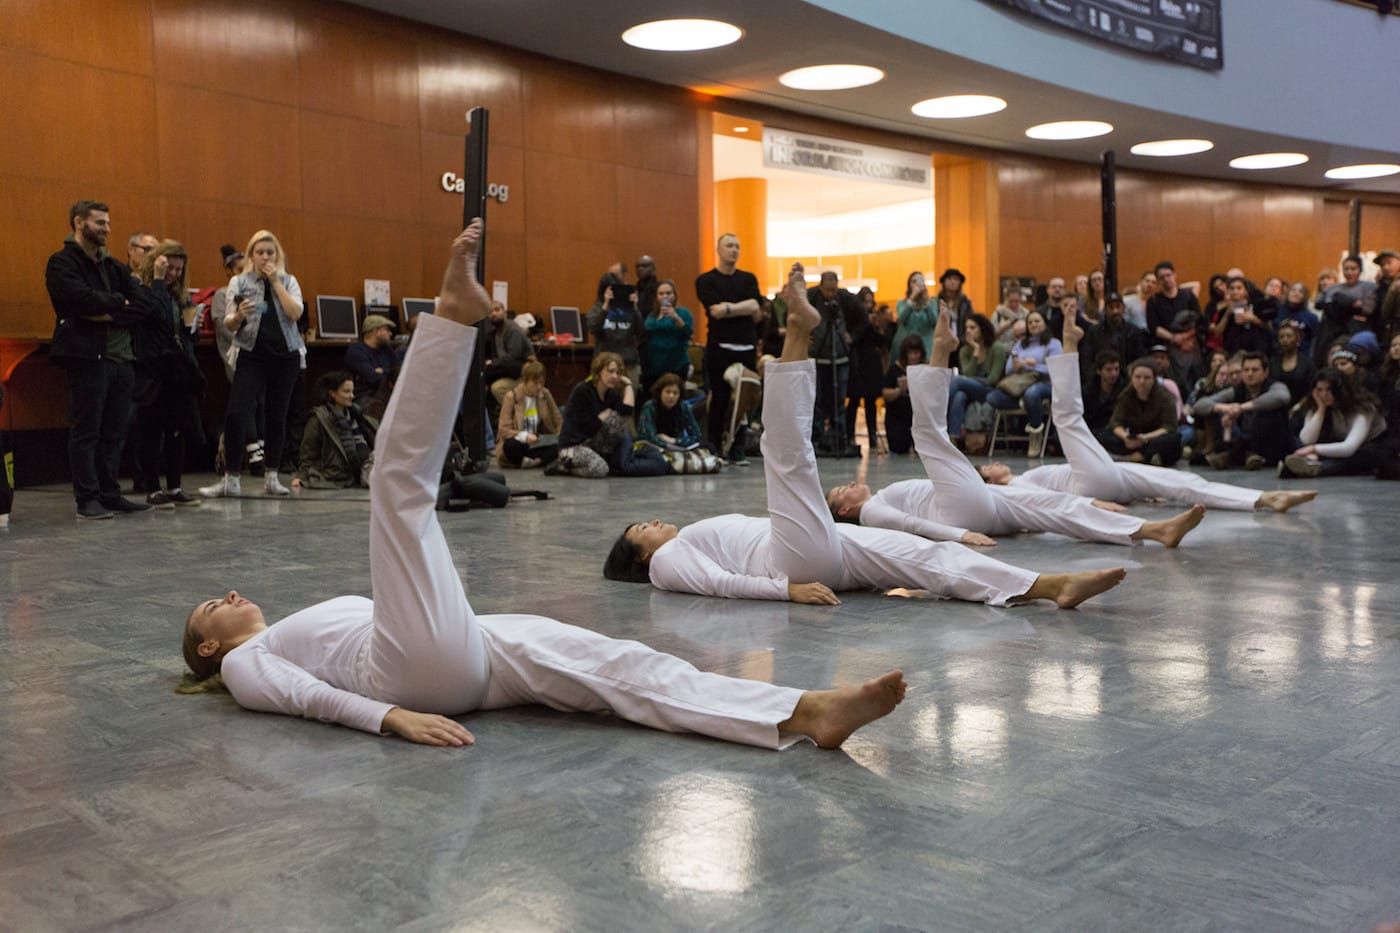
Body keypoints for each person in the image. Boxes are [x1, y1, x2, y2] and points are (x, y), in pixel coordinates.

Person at [179, 221, 907, 752]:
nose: (232, 595)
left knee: (623, 666)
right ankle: (452, 316)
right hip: (405, 671)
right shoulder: (245, 666)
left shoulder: (271, 633)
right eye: (215, 606)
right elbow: (305, 699)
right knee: (398, 492)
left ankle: (802, 712)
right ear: (209, 650)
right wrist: (388, 718)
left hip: (464, 648)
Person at [603, 263, 1127, 610]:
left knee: (926, 559)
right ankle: (798, 330)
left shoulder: (682, 542)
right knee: (785, 456)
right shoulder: (666, 565)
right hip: (790, 559)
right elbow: (720, 586)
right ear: (642, 557)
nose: (651, 523)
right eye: (640, 531)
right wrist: (785, 591)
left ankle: (1046, 587)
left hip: (821, 547)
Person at [827, 311, 1204, 550]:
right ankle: (941, 350)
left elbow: (1048, 499)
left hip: (981, 504)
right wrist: (960, 536)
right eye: (841, 491)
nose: (847, 484)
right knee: (928, 436)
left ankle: (1153, 531)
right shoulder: (872, 511)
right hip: (957, 513)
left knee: (1057, 511)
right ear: (846, 508)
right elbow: (911, 524)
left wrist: (1087, 503)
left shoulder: (883, 497)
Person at [1002, 317, 1316, 514]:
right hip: (1092, 483)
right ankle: (1069, 343)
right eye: (988, 468)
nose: (994, 464)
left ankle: (1262, 499)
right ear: (991, 477)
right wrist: (1092, 505)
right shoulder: (1015, 483)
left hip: (1113, 476)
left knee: (1184, 482)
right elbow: (1048, 506)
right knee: (1068, 418)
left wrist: (1127, 498)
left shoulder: (1024, 479)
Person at [45, 200, 153, 519]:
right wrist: (119, 301)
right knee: (87, 431)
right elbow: (77, 301)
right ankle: (87, 498)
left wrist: (108, 312)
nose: (107, 228)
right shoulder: (61, 262)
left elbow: (145, 303)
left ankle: (109, 493)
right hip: (87, 358)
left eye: (108, 223)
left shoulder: (113, 265)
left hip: (122, 360)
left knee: (115, 432)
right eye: (100, 223)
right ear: (79, 223)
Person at [201, 230, 305, 499]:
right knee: (237, 413)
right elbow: (228, 323)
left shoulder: (289, 280)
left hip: (285, 355)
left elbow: (295, 313)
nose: (265, 257)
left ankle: (271, 476)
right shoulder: (239, 282)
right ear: (251, 256)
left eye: (270, 252)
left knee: (277, 415)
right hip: (251, 353)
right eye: (260, 252)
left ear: (277, 255)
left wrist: (275, 282)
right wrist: (239, 317)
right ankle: (231, 479)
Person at [131, 240, 204, 507]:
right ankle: (152, 487)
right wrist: (159, 281)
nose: (174, 274)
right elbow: (154, 313)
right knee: (152, 430)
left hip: (178, 369)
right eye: (169, 268)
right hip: (153, 369)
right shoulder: (145, 289)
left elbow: (185, 336)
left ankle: (174, 486)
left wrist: (192, 327)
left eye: (178, 270)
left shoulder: (182, 296)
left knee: (178, 430)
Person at [695, 233, 762, 458]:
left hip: (746, 348)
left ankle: (738, 446)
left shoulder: (748, 279)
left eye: (737, 246)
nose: (734, 250)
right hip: (719, 348)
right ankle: (715, 444)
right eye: (729, 245)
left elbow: (755, 306)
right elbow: (714, 310)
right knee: (720, 398)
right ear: (719, 249)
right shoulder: (706, 280)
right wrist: (735, 309)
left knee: (744, 398)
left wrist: (728, 309)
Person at [1280, 368, 1386, 478]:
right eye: (1319, 390)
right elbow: (1307, 440)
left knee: (1361, 455)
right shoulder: (1318, 405)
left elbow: (1349, 447)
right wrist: (1321, 409)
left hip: (1367, 446)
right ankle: (1305, 464)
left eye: (1329, 390)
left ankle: (1315, 467)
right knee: (1297, 440)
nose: (1324, 395)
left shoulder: (1363, 409)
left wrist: (1314, 449)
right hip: (1338, 442)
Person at [1194, 351, 1292, 470]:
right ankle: (1238, 454)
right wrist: (1226, 408)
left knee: (1266, 409)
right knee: (1219, 410)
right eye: (1246, 370)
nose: (1250, 374)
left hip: (1271, 446)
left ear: (1265, 372)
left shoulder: (1275, 386)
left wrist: (1242, 407)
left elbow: (1282, 397)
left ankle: (1237, 456)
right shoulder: (1238, 390)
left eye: (1254, 370)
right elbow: (1200, 405)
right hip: (1241, 440)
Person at [986, 308, 1061, 456]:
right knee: (992, 397)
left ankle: (1035, 436)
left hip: (1045, 384)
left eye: (1037, 321)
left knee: (1031, 394)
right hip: (1019, 385)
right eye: (1030, 322)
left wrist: (1031, 365)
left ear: (1045, 323)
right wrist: (1018, 366)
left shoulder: (1053, 343)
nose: (1033, 324)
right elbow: (1008, 369)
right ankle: (1029, 404)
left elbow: (1056, 369)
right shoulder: (1021, 345)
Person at [554, 351, 635, 478]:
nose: (614, 376)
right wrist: (604, 415)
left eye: (618, 373)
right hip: (573, 446)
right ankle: (563, 467)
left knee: (619, 418)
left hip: (591, 444)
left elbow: (627, 412)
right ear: (598, 372)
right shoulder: (583, 391)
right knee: (600, 469)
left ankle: (605, 459)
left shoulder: (610, 394)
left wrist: (628, 385)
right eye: (610, 371)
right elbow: (588, 427)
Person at [295, 371, 376, 488]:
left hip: (364, 469)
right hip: (336, 475)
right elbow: (307, 453)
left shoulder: (357, 415)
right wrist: (302, 476)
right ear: (332, 393)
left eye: (352, 392)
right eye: (346, 392)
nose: (352, 396)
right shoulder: (319, 418)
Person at [1103, 358, 1183, 466]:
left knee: (1173, 439)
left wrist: (1145, 438)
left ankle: (1143, 456)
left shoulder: (1165, 397)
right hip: (1133, 439)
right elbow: (1116, 423)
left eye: (1147, 378)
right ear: (1131, 378)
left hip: (1154, 438)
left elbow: (1169, 427)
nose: (1142, 382)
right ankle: (1141, 456)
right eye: (1137, 377)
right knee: (1102, 434)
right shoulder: (1125, 396)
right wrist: (1125, 437)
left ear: (1154, 379)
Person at [807, 271, 855, 450]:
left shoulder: (846, 299)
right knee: (817, 400)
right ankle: (817, 437)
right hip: (818, 358)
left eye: (834, 290)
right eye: (827, 290)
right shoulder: (811, 297)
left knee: (839, 400)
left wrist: (852, 336)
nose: (830, 294)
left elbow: (863, 319)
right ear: (820, 287)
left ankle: (838, 436)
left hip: (840, 357)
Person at [947, 313, 1007, 442]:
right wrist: (975, 350)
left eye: (973, 327)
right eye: (966, 328)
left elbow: (993, 379)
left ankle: (940, 413)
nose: (968, 331)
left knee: (957, 381)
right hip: (970, 390)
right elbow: (968, 375)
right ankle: (953, 439)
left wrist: (971, 381)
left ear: (983, 329)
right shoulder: (965, 351)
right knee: (959, 396)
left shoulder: (997, 348)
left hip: (991, 391)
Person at [496, 358, 562, 469]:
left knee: (558, 445)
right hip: (520, 441)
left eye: (542, 382)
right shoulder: (511, 397)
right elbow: (504, 430)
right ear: (525, 381)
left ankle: (533, 461)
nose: (539, 387)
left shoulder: (545, 394)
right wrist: (525, 436)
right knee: (511, 445)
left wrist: (559, 436)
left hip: (538, 441)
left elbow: (558, 419)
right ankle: (537, 461)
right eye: (535, 383)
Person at [845, 286, 889, 451]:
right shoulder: (854, 320)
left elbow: (882, 341)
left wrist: (877, 326)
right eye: (865, 302)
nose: (868, 305)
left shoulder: (874, 320)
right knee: (854, 401)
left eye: (871, 302)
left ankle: (872, 435)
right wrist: (866, 323)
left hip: (871, 363)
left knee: (871, 402)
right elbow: (854, 338)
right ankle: (849, 436)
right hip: (857, 363)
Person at [1314, 255, 1375, 367]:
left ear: (1360, 270)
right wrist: (1351, 303)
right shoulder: (1334, 288)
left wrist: (1349, 303)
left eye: (1353, 269)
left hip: (1355, 331)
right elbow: (1319, 303)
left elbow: (1368, 309)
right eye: (1346, 269)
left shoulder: (1368, 287)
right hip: (1332, 330)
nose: (1349, 272)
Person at [587, 277, 645, 392]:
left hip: (628, 363)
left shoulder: (630, 310)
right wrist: (606, 306)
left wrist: (635, 308)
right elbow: (594, 329)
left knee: (629, 401)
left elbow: (641, 332)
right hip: (604, 364)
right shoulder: (597, 309)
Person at [639, 278, 693, 392]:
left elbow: (688, 333)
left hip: (677, 365)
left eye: (668, 293)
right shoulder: (651, 316)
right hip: (654, 367)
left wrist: (675, 317)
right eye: (661, 293)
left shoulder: (683, 312)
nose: (665, 296)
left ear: (674, 295)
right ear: (656, 296)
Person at [638, 373, 705, 452]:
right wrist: (667, 444)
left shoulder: (683, 407)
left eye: (675, 393)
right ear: (660, 392)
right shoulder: (650, 407)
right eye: (668, 392)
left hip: (677, 447)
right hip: (654, 450)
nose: (671, 396)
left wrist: (674, 441)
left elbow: (697, 436)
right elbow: (649, 437)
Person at [344, 313, 399, 407]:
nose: (390, 333)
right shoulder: (356, 352)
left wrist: (382, 371)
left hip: (387, 393)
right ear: (376, 331)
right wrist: (388, 374)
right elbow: (373, 378)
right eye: (387, 330)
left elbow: (399, 372)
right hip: (364, 395)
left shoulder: (387, 349)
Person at [883, 335, 925, 455]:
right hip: (897, 418)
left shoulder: (924, 368)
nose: (913, 357)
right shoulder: (894, 369)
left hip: (918, 418)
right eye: (910, 353)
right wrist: (900, 390)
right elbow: (885, 393)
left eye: (916, 353)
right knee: (899, 447)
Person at [891, 271, 937, 359]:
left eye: (920, 281)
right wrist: (912, 298)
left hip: (926, 348)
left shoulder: (932, 303)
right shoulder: (902, 303)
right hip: (905, 347)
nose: (917, 284)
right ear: (909, 285)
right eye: (914, 281)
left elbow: (934, 321)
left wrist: (926, 303)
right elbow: (901, 319)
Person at [1271, 319, 1315, 405]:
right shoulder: (1273, 362)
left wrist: (1298, 407)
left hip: (1300, 408)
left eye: (1289, 336)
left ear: (1298, 338)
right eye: (1281, 337)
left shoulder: (1307, 364)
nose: (1285, 340)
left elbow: (1311, 390)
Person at [1273, 281, 1318, 359]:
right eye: (1293, 290)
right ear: (1288, 293)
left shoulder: (1311, 317)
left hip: (1303, 357)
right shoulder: (1277, 312)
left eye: (1300, 292)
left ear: (1304, 296)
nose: (1296, 293)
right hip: (1279, 356)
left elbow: (1315, 341)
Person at [991, 283, 1029, 348]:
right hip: (1002, 350)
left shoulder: (1026, 313)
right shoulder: (998, 313)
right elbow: (991, 336)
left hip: (1021, 348)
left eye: (1016, 301)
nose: (1014, 304)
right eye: (1011, 301)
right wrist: (1004, 327)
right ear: (1006, 298)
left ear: (1020, 299)